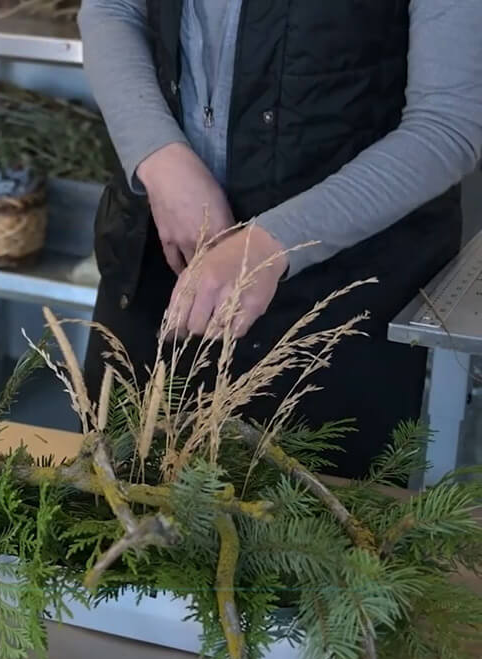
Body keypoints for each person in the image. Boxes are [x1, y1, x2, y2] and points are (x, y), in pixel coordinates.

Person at [77, 0, 482, 478]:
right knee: (106, 510)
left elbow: (447, 126)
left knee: (313, 533)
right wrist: (161, 159)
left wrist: (274, 242)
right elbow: (111, 9)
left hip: (338, 310)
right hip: (155, 272)